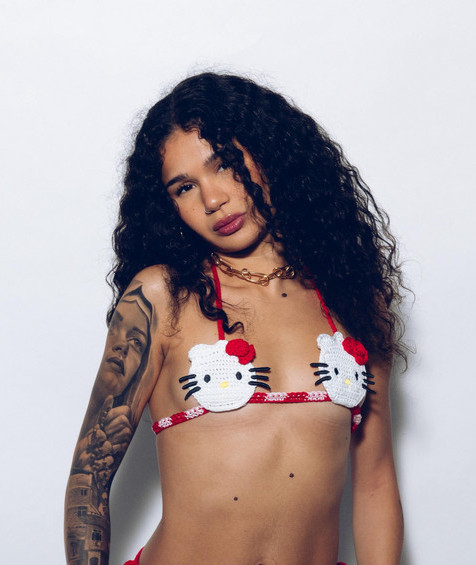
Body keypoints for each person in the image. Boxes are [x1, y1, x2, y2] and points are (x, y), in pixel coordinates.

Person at [64, 72, 406, 565]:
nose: (212, 200)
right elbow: (89, 481)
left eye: (224, 165)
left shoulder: (353, 297)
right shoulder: (162, 296)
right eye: (184, 187)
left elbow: (374, 483)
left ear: (270, 153)